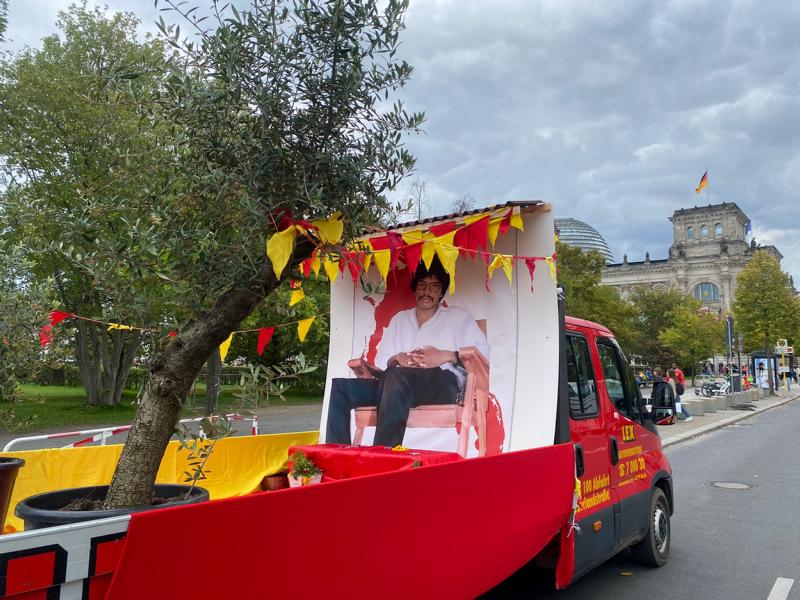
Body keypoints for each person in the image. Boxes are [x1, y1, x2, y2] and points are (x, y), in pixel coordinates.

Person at [326, 257, 490, 447]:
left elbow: (483, 356)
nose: (427, 291)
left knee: (396, 377)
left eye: (434, 286)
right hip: (396, 387)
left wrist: (445, 356)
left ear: (441, 292)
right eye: (422, 285)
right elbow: (382, 363)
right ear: (415, 289)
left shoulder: (458, 317)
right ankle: (335, 455)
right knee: (342, 388)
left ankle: (383, 456)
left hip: (444, 384)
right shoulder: (400, 319)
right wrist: (397, 359)